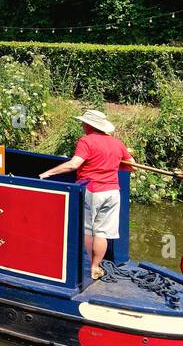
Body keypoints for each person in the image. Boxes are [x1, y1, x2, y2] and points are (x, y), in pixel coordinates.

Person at [38, 110, 134, 280]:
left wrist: (48, 173)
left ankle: (83, 267)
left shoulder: (86, 141)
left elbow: (74, 164)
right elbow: (131, 166)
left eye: (83, 123)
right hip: (112, 192)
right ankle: (95, 267)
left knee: (87, 231)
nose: (82, 126)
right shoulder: (117, 143)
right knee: (102, 233)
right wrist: (109, 166)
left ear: (89, 125)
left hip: (93, 190)